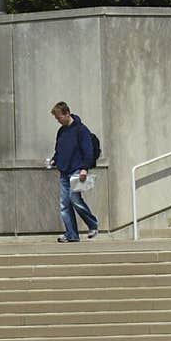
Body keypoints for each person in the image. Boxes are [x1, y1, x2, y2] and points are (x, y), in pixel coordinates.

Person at [47, 101, 99, 243]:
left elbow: (88, 151)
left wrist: (84, 168)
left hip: (77, 169)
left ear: (67, 113)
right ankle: (72, 234)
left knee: (75, 199)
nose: (58, 121)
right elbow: (59, 150)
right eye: (56, 118)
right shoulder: (62, 131)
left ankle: (93, 224)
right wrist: (54, 160)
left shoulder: (81, 130)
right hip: (64, 171)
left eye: (59, 117)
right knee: (65, 204)